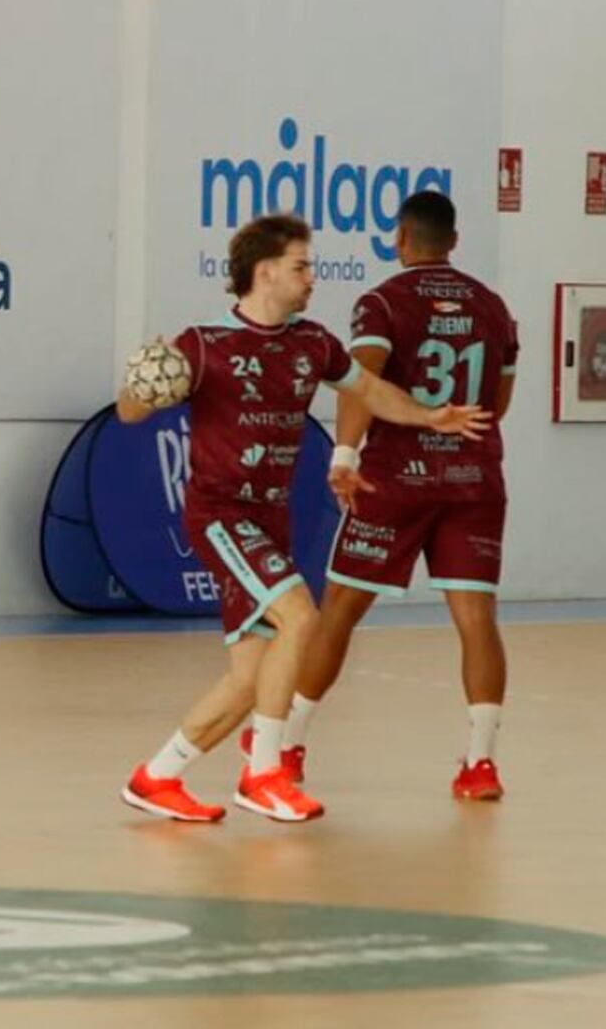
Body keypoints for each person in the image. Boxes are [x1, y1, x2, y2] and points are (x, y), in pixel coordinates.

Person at [117, 213, 491, 823]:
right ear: (264, 272)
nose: (312, 277)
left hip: (270, 522)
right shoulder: (203, 344)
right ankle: (263, 772)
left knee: (249, 679)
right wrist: (145, 381)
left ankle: (157, 777)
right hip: (221, 513)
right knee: (301, 616)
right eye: (301, 266)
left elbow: (368, 390)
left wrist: (428, 416)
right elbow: (131, 414)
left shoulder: (311, 342)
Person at [280, 191, 520, 801]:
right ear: (455, 241)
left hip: (397, 478)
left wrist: (345, 454)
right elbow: (498, 405)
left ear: (399, 239)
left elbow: (362, 380)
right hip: (474, 479)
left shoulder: (384, 301)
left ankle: (288, 750)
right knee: (476, 619)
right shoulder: (493, 308)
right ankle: (480, 764)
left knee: (339, 612)